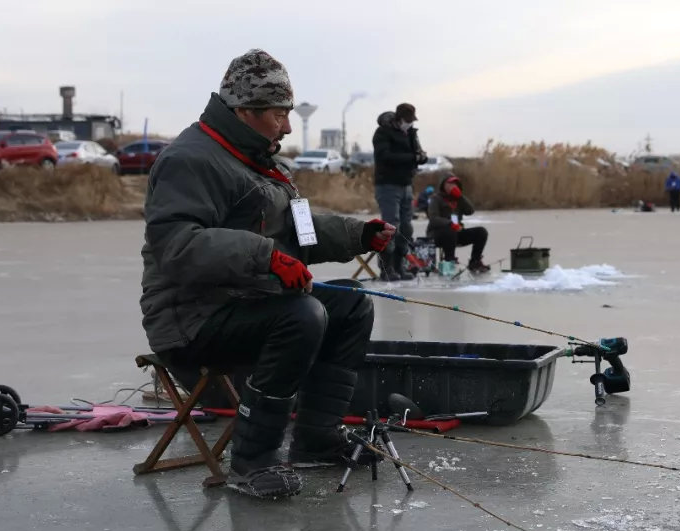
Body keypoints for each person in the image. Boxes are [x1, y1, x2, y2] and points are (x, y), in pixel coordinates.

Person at [140, 49, 396, 499]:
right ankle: (251, 463)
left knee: (352, 304)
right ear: (246, 111)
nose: (287, 126)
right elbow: (175, 245)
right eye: (280, 114)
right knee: (302, 314)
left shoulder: (262, 160)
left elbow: (299, 230)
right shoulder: (191, 159)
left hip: (249, 301)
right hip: (191, 319)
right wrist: (265, 257)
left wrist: (360, 234)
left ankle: (317, 437)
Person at [372, 103, 427, 281]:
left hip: (406, 184)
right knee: (391, 226)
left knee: (406, 227)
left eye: (412, 121)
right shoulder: (382, 133)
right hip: (387, 185)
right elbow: (384, 156)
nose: (409, 124)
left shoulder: (411, 133)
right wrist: (412, 158)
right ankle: (386, 268)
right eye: (407, 121)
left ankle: (399, 266)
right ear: (399, 118)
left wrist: (421, 157)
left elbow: (417, 153)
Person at [426, 174, 491, 274]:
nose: (453, 185)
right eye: (450, 183)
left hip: (456, 233)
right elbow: (433, 218)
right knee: (450, 231)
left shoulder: (458, 199)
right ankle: (449, 261)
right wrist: (450, 223)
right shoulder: (436, 198)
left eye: (455, 183)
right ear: (443, 185)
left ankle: (475, 261)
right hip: (438, 234)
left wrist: (460, 197)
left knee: (481, 232)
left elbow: (470, 211)